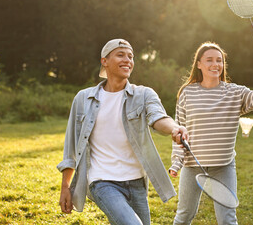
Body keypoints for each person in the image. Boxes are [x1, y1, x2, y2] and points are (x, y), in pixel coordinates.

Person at [57, 38, 188, 225]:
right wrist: (65, 187)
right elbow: (71, 147)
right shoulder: (83, 99)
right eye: (120, 55)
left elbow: (158, 117)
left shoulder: (143, 94)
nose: (127, 60)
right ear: (104, 61)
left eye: (130, 56)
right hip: (102, 181)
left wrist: (175, 128)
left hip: (136, 183)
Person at [169, 42, 253, 225]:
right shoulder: (187, 93)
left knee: (227, 220)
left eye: (219, 60)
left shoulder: (235, 93)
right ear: (199, 64)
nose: (215, 64)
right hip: (192, 166)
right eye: (209, 60)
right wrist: (176, 162)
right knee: (183, 217)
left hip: (223, 166)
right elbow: (179, 131)